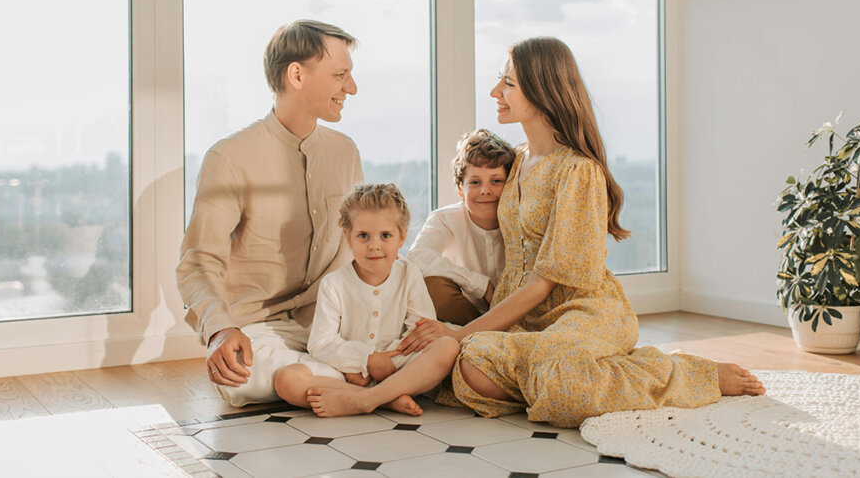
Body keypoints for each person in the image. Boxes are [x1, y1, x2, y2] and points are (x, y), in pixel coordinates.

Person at [398, 37, 765, 428]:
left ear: (542, 91)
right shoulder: (518, 159)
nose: (495, 92)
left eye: (508, 84)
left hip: (584, 311)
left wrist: (457, 334)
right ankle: (577, 375)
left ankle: (689, 374)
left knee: (558, 381)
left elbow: (543, 285)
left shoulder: (578, 170)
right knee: (473, 365)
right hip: (528, 320)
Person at [176, 20, 363, 406]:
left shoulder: (345, 152)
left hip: (331, 321)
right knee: (243, 375)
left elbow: (359, 246)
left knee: (425, 344)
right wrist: (220, 330)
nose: (351, 88)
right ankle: (364, 380)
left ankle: (335, 381)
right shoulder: (229, 157)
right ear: (296, 74)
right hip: (256, 328)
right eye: (340, 75)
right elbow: (198, 263)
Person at [273, 184, 461, 417]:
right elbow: (321, 343)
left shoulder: (409, 274)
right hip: (346, 374)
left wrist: (386, 363)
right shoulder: (334, 284)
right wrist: (365, 360)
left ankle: (367, 399)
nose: (374, 246)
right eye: (363, 236)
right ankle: (386, 400)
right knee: (287, 380)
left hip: (398, 366)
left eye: (385, 236)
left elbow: (420, 331)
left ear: (402, 237)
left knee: (447, 347)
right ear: (348, 238)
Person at [407, 129, 516, 325]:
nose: (485, 191)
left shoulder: (523, 222)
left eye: (496, 181)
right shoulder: (444, 219)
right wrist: (480, 285)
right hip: (465, 317)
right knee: (431, 284)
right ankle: (476, 337)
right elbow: (417, 258)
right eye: (475, 182)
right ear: (460, 190)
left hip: (514, 313)